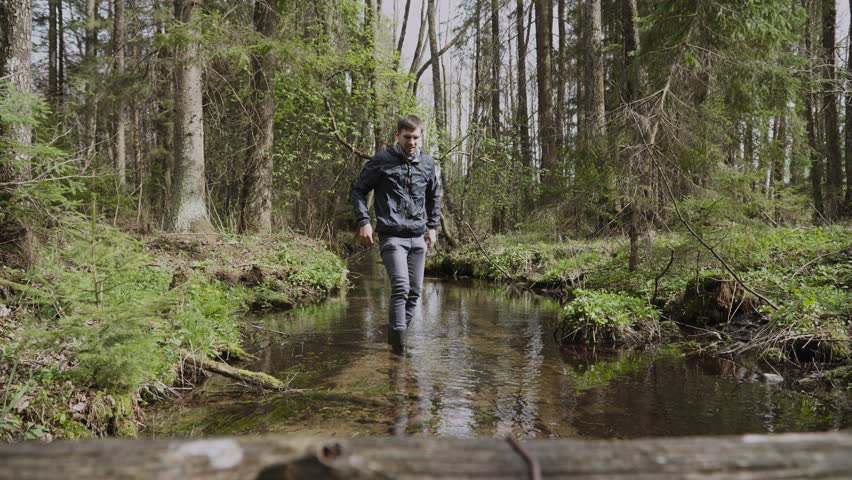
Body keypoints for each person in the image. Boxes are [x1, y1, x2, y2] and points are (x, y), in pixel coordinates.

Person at [351, 115, 442, 355]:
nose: (412, 142)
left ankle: (395, 338)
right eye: (407, 137)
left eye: (416, 137)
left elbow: (434, 196)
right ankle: (399, 350)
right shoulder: (382, 161)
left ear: (421, 136)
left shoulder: (428, 163)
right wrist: (364, 222)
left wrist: (432, 227)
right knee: (401, 287)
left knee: (415, 293)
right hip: (392, 235)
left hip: (418, 235)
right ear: (397, 136)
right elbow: (359, 190)